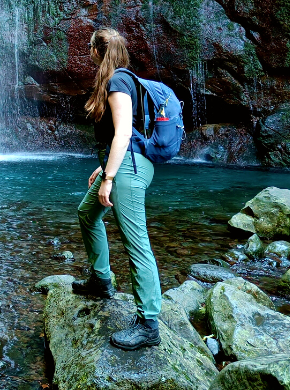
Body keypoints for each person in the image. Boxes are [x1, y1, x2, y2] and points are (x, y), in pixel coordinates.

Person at [72, 27, 162, 350]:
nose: (88, 52)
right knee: (87, 213)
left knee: (136, 243)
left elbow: (124, 132)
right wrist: (105, 167)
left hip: (128, 170)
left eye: (89, 48)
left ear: (98, 52)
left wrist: (109, 177)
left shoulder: (118, 81)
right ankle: (101, 280)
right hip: (121, 163)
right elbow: (122, 136)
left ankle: (149, 323)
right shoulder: (120, 80)